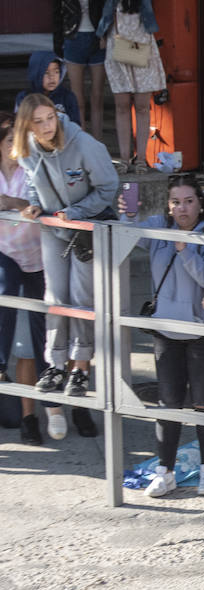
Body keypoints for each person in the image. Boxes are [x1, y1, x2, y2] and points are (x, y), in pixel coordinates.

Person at [15, 93, 116, 440]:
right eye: (37, 122)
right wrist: (31, 205)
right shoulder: (28, 147)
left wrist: (75, 214)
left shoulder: (84, 144)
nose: (45, 127)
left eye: (49, 118)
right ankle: (56, 365)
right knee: (55, 297)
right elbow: (31, 183)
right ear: (27, 126)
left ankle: (80, 368)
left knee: (80, 298)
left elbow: (108, 187)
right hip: (54, 230)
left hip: (86, 229)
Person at [121, 173, 204, 498]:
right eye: (176, 202)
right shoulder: (158, 226)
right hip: (166, 330)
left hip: (203, 330)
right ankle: (164, 471)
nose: (182, 209)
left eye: (189, 201)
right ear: (168, 205)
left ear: (200, 203)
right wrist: (126, 211)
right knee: (168, 404)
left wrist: (186, 250)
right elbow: (126, 234)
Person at [0, 111, 49, 445]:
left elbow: (41, 202)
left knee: (38, 334)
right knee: (6, 293)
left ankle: (47, 403)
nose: (14, 147)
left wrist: (16, 203)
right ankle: (1, 365)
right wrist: (15, 203)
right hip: (6, 256)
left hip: (39, 258)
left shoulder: (33, 166)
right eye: (8, 141)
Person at [95, 0, 165, 173]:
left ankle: (141, 159)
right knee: (122, 106)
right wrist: (102, 33)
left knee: (142, 106)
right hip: (118, 42)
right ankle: (124, 159)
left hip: (143, 41)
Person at [55, 0, 107, 142]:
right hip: (73, 38)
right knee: (77, 98)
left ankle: (98, 143)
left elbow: (107, 9)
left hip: (98, 37)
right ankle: (82, 143)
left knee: (97, 96)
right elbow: (57, 14)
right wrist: (58, 45)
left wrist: (105, 34)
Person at [17, 52, 82, 127]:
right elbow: (20, 127)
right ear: (36, 73)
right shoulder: (24, 97)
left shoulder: (67, 97)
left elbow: (75, 125)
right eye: (46, 72)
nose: (52, 77)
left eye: (56, 72)